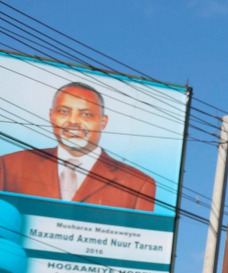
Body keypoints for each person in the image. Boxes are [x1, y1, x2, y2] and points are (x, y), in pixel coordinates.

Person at [0, 82, 156, 211]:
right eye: (63, 112)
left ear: (103, 122)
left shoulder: (138, 184)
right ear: (51, 116)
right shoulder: (9, 166)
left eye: (86, 114)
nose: (73, 121)